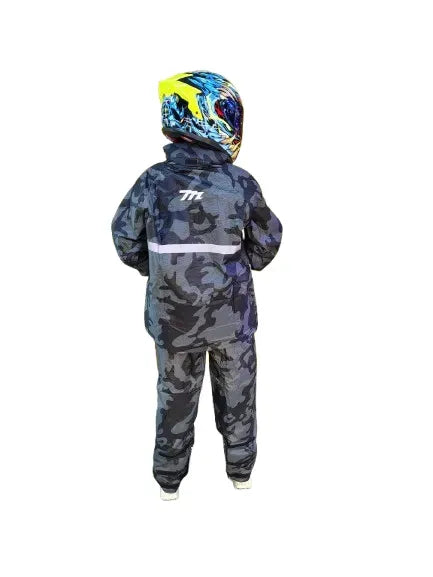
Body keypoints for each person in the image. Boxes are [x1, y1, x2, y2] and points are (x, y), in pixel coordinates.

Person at [112, 71, 282, 500]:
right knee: (238, 394)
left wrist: (158, 272)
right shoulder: (239, 183)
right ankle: (240, 474)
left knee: (175, 398)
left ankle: (168, 483)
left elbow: (124, 237)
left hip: (173, 320)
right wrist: (245, 265)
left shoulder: (153, 181)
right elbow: (268, 241)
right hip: (232, 320)